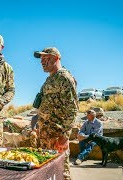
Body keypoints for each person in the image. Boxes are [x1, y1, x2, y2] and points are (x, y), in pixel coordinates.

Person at [33, 47, 79, 180]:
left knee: (61, 174)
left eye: (45, 58)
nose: (42, 61)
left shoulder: (64, 77)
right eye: (41, 59)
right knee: (47, 174)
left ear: (56, 58)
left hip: (57, 138)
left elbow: (73, 109)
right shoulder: (48, 80)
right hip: (44, 136)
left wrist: (64, 136)